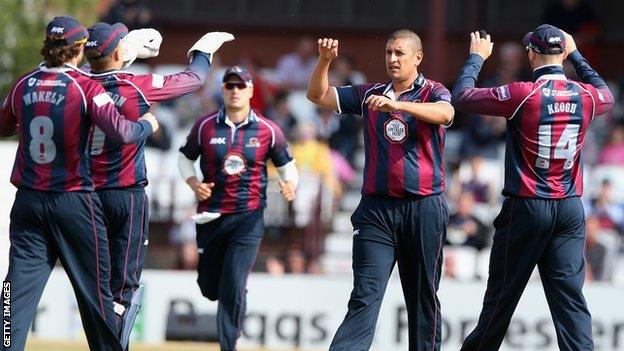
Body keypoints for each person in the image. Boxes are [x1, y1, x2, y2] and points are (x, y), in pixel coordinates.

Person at [0, 16, 158, 351]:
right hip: (74, 203)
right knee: (98, 298)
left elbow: (3, 126)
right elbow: (123, 133)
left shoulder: (24, 83)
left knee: (14, 297)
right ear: (79, 49)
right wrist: (147, 123)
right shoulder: (85, 87)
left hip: (28, 203)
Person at [451, 25, 614, 350]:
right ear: (562, 53)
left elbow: (461, 97)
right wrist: (577, 56)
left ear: (531, 53)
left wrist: (475, 59)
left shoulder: (521, 92)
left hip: (527, 205)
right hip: (569, 208)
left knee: (500, 302)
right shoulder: (586, 96)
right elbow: (606, 94)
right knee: (570, 305)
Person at [83, 22, 233, 348]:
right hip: (125, 194)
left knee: (92, 284)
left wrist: (124, 53)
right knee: (124, 286)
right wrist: (202, 52)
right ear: (119, 51)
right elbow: (193, 79)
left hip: (82, 196)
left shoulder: (77, 81)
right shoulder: (136, 85)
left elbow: (89, 68)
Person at [307, 29, 454, 351]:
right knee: (364, 294)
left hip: (423, 207)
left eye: (400, 53)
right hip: (376, 211)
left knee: (422, 300)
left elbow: (446, 114)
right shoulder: (370, 93)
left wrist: (398, 106)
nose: (392, 59)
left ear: (418, 58)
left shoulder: (433, 91)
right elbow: (318, 96)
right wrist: (323, 62)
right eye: (388, 52)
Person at [177, 66, 298, 351]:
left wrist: (290, 184)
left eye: (240, 86)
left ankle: (228, 346)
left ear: (251, 91)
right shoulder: (205, 126)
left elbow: (287, 167)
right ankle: (233, 293)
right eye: (230, 86)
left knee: (233, 281)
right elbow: (184, 158)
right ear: (222, 90)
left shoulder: (269, 129)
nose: (235, 91)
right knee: (209, 288)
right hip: (211, 216)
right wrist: (194, 182)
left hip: (249, 215)